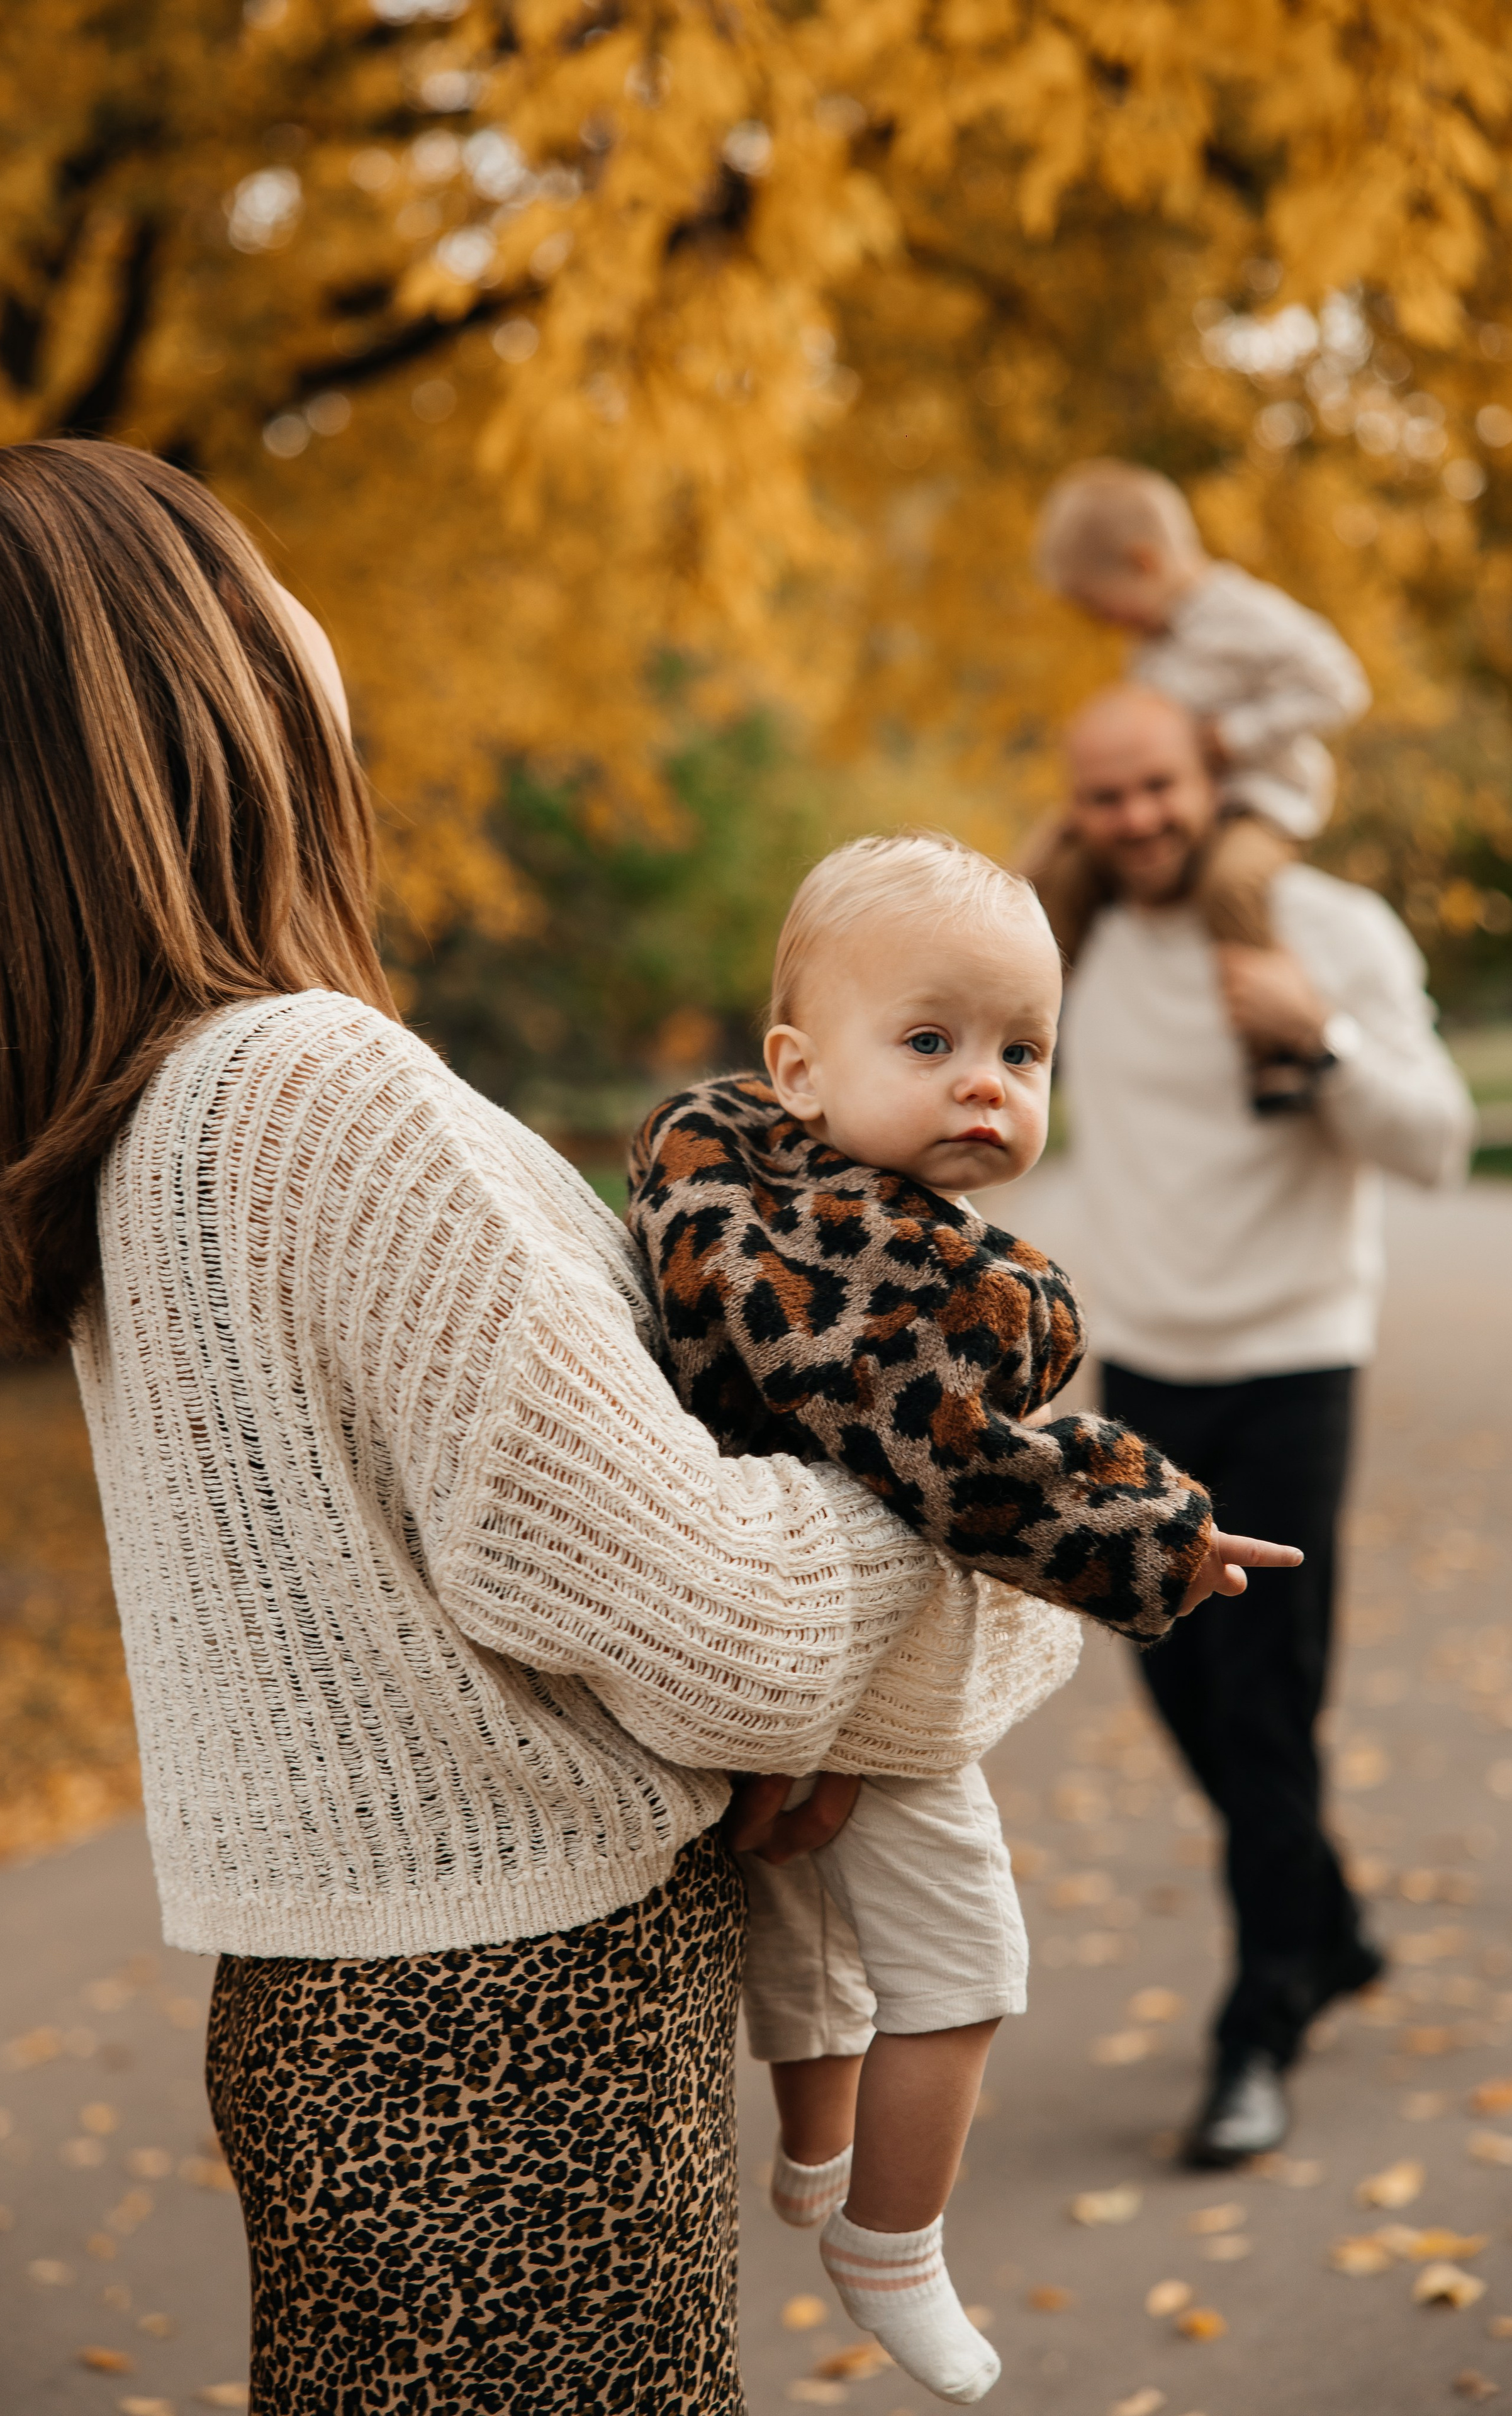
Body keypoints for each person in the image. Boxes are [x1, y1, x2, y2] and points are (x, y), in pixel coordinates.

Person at [0, 439, 1092, 2416]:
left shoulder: (157, 1121)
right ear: (195, 675)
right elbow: (720, 1626)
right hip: (510, 2048)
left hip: (370, 2027)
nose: (306, 613)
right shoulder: (308, 1087)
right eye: (253, 572)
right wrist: (1019, 1518)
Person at [625, 831, 1299, 2398]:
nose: (983, 1083)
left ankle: (813, 2154)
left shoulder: (726, 1191)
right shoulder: (903, 1275)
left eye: (1021, 1051)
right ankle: (891, 2239)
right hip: (856, 1667)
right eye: (928, 1042)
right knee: (964, 1961)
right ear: (798, 1068)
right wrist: (1158, 1535)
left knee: (805, 1928)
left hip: (740, 1642)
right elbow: (967, 1468)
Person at [1045, 683, 1474, 2166]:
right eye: (1104, 795)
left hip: (1293, 1357)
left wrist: (1322, 1036)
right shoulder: (1072, 942)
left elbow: (1435, 1142)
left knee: (1264, 1701)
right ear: (1074, 807)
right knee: (1179, 1687)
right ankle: (1328, 1922)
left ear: (1212, 773)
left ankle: (1259, 2017)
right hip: (1144, 1368)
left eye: (1156, 785)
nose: (1135, 818)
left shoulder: (1327, 926)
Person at [1031, 459, 1372, 1113]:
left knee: (1231, 884)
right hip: (1183, 806)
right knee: (1062, 875)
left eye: (1101, 607)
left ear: (1143, 562)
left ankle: (1276, 1054)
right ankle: (1042, 1017)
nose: (1105, 624)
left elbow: (1340, 687)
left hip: (1260, 804)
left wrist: (1238, 735)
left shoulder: (1249, 617)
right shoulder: (1153, 643)